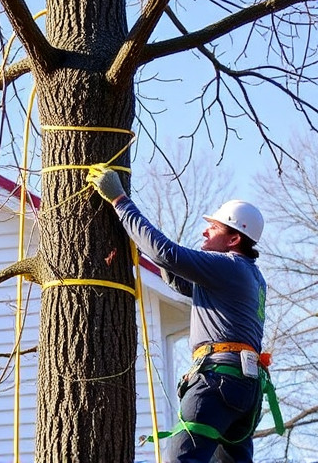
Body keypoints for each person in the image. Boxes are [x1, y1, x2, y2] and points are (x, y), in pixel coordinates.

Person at [86, 164, 267, 463]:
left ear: (234, 240)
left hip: (217, 383)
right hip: (244, 391)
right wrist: (143, 242)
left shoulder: (228, 267)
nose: (204, 230)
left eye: (214, 228)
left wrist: (120, 202)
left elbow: (167, 254)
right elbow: (177, 276)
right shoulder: (250, 276)